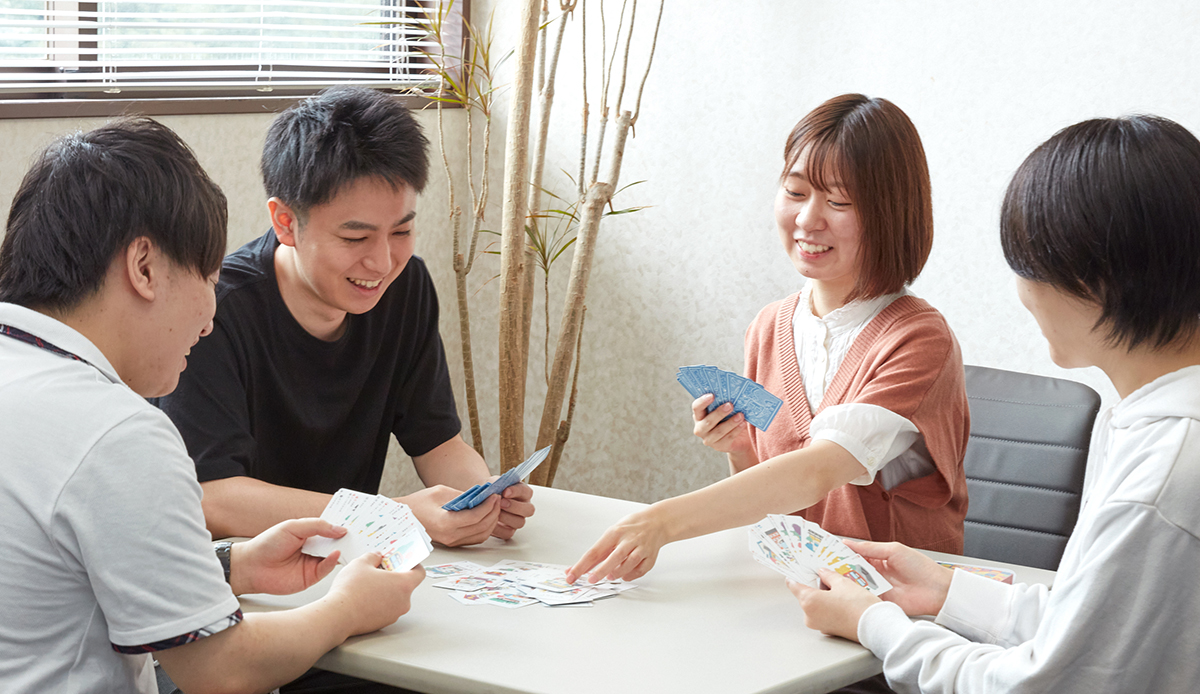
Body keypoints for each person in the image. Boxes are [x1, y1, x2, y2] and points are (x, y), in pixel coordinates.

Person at [0, 117, 424, 694]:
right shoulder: (117, 434)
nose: (208, 319)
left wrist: (230, 565)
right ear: (144, 268)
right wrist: (348, 607)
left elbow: (58, 571)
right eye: (208, 276)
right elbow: (222, 670)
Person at [790, 114, 1200, 693]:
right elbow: (1094, 622)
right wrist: (946, 591)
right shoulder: (1153, 426)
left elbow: (1041, 684)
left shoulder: (1162, 475)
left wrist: (875, 625)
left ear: (1095, 277)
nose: (1021, 291)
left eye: (1028, 264)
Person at [568, 94, 969, 584]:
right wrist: (741, 448)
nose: (807, 220)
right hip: (790, 590)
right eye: (795, 192)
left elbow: (817, 471)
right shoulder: (769, 326)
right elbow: (772, 513)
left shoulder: (919, 341)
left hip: (890, 606)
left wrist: (662, 521)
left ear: (891, 213)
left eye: (839, 201)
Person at [155, 86, 535, 548]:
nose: (382, 263)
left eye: (402, 230)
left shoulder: (405, 287)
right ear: (285, 222)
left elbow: (438, 443)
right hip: (240, 567)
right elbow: (214, 499)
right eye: (355, 238)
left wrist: (481, 497)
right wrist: (388, 515)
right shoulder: (214, 311)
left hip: (348, 557)